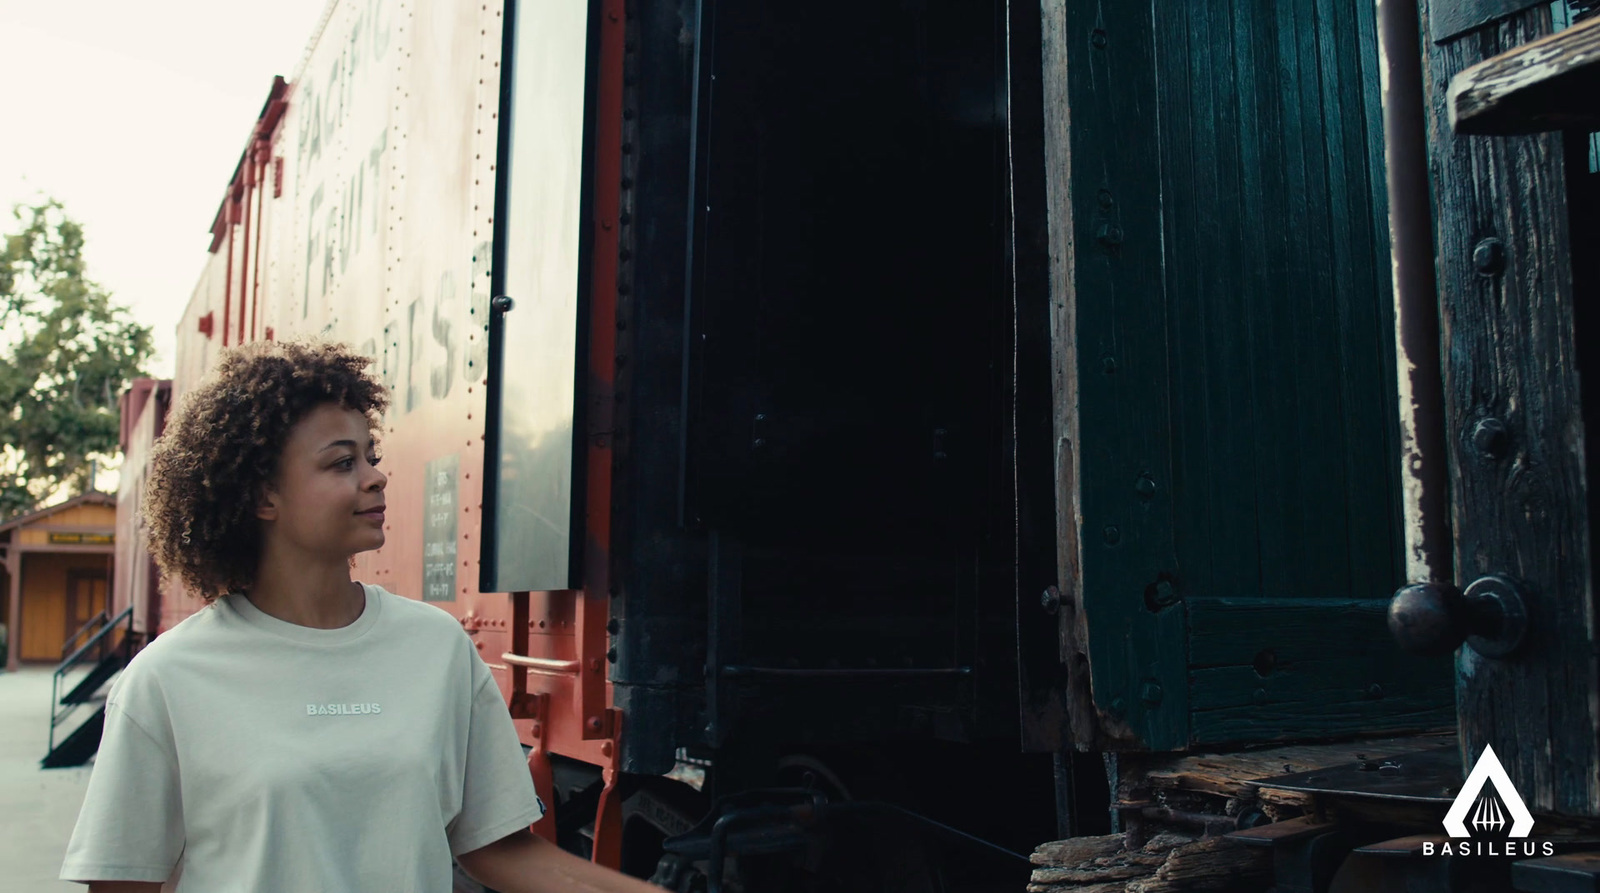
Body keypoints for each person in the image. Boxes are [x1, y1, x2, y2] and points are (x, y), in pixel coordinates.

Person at [60, 339, 659, 893]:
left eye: (369, 456)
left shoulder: (437, 647)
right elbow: (122, 882)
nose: (376, 477)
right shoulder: (169, 677)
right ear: (262, 496)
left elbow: (502, 851)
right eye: (342, 463)